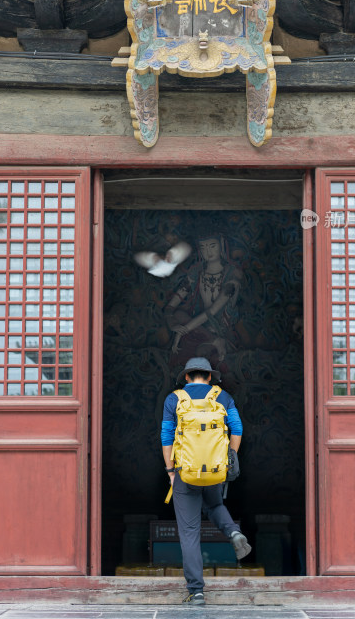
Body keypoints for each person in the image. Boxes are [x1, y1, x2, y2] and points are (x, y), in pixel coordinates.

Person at [161, 357, 251, 606]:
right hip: (214, 469)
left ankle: (197, 591)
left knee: (190, 533)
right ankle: (233, 532)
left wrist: (170, 470)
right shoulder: (223, 397)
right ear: (209, 376)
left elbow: (166, 435)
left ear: (187, 377)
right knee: (214, 506)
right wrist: (229, 458)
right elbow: (237, 428)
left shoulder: (174, 399)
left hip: (185, 472)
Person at [165, 233, 242, 362]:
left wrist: (182, 331)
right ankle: (211, 340)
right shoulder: (197, 272)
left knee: (200, 352)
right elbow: (172, 305)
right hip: (198, 326)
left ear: (221, 245)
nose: (208, 251)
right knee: (179, 315)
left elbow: (212, 311)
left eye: (212, 246)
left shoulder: (232, 275)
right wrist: (171, 322)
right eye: (203, 247)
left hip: (219, 328)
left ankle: (216, 341)